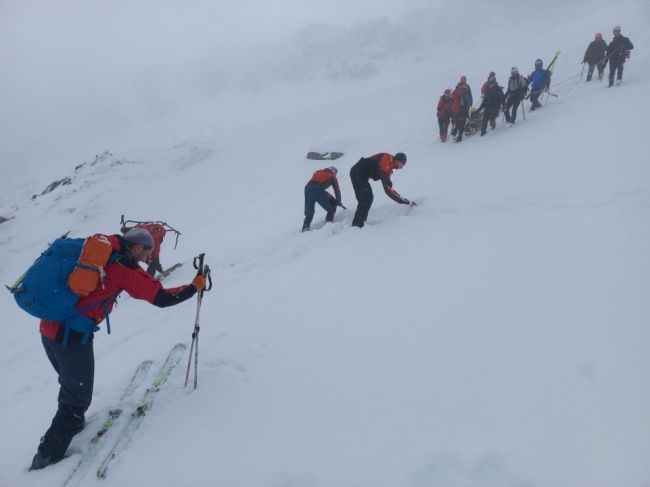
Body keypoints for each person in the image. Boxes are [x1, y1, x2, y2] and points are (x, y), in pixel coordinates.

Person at [29, 228, 206, 470]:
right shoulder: (123, 268)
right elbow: (160, 297)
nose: (148, 258)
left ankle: (74, 424)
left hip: (49, 327)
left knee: (71, 386)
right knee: (76, 397)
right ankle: (47, 457)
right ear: (136, 247)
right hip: (71, 337)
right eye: (147, 252)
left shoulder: (101, 248)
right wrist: (194, 287)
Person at [350, 152, 414, 228]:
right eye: (403, 164)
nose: (402, 167)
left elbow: (388, 187)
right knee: (366, 198)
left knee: (366, 198)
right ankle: (357, 225)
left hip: (360, 174)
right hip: (358, 172)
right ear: (398, 160)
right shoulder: (387, 159)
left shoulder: (389, 166)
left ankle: (359, 224)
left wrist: (401, 199)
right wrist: (400, 201)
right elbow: (387, 188)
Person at [302, 166, 343, 231]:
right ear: (334, 172)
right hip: (318, 191)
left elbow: (316, 182)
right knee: (332, 206)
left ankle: (305, 227)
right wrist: (338, 201)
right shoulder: (332, 176)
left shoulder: (318, 171)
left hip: (307, 190)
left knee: (309, 212)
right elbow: (337, 189)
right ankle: (329, 224)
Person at [450, 76, 473, 142]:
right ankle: (459, 136)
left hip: (458, 110)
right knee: (462, 123)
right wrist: (470, 103)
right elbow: (469, 96)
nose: (463, 80)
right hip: (463, 109)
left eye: (464, 79)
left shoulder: (458, 88)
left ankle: (454, 134)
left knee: (458, 123)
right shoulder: (464, 90)